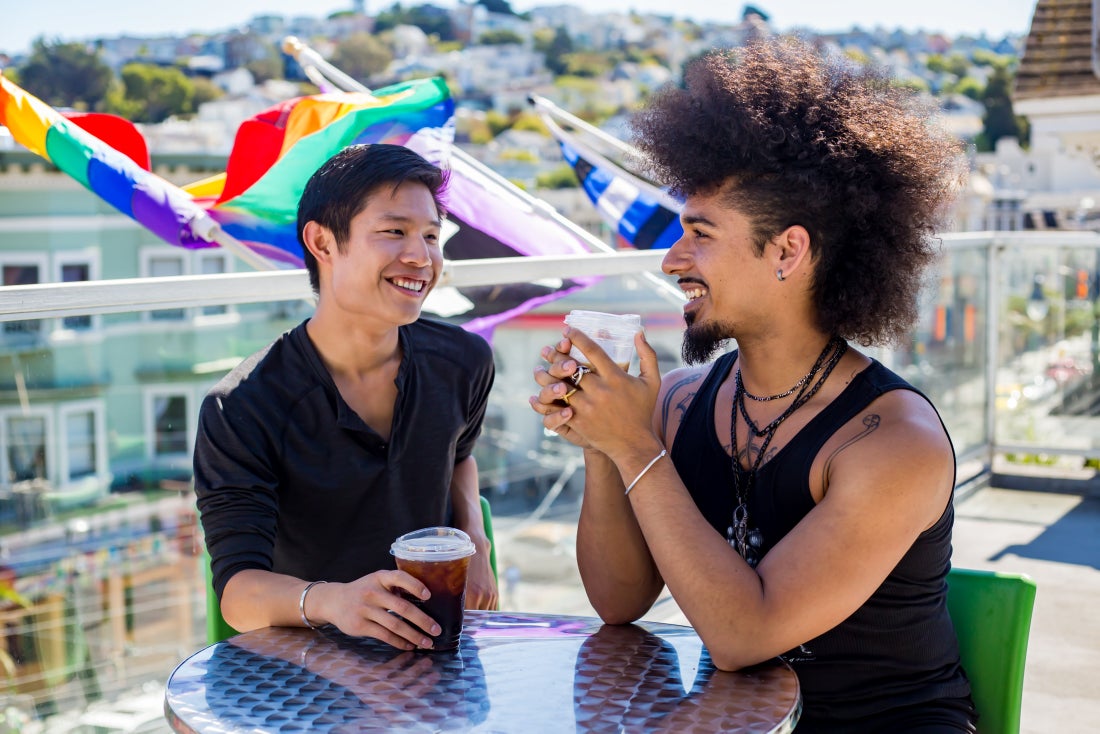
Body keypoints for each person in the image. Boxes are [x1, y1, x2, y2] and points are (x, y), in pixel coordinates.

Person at [531, 40, 976, 732]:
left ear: (788, 251)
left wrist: (636, 446)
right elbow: (619, 602)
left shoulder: (893, 443)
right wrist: (605, 438)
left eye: (700, 235)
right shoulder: (681, 403)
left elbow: (745, 633)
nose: (673, 260)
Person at [195, 143, 498, 651]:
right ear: (322, 242)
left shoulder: (464, 360)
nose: (421, 257)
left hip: (440, 649)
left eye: (430, 236)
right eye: (394, 232)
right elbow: (238, 592)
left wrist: (477, 542)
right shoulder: (241, 406)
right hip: (313, 667)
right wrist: (334, 601)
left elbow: (458, 455)